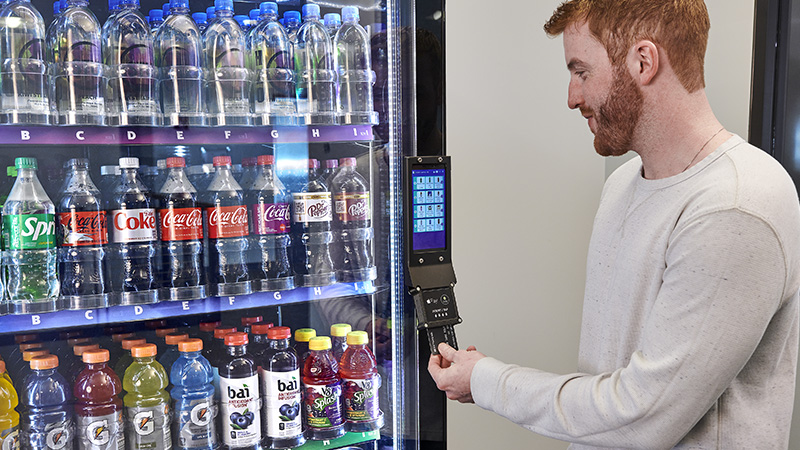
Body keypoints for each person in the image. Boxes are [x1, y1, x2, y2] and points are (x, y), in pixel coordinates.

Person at [428, 1, 800, 449]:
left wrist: (487, 381)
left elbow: (641, 416)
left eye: (582, 72)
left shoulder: (736, 204)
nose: (572, 97)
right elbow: (607, 390)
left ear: (644, 62)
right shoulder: (624, 184)